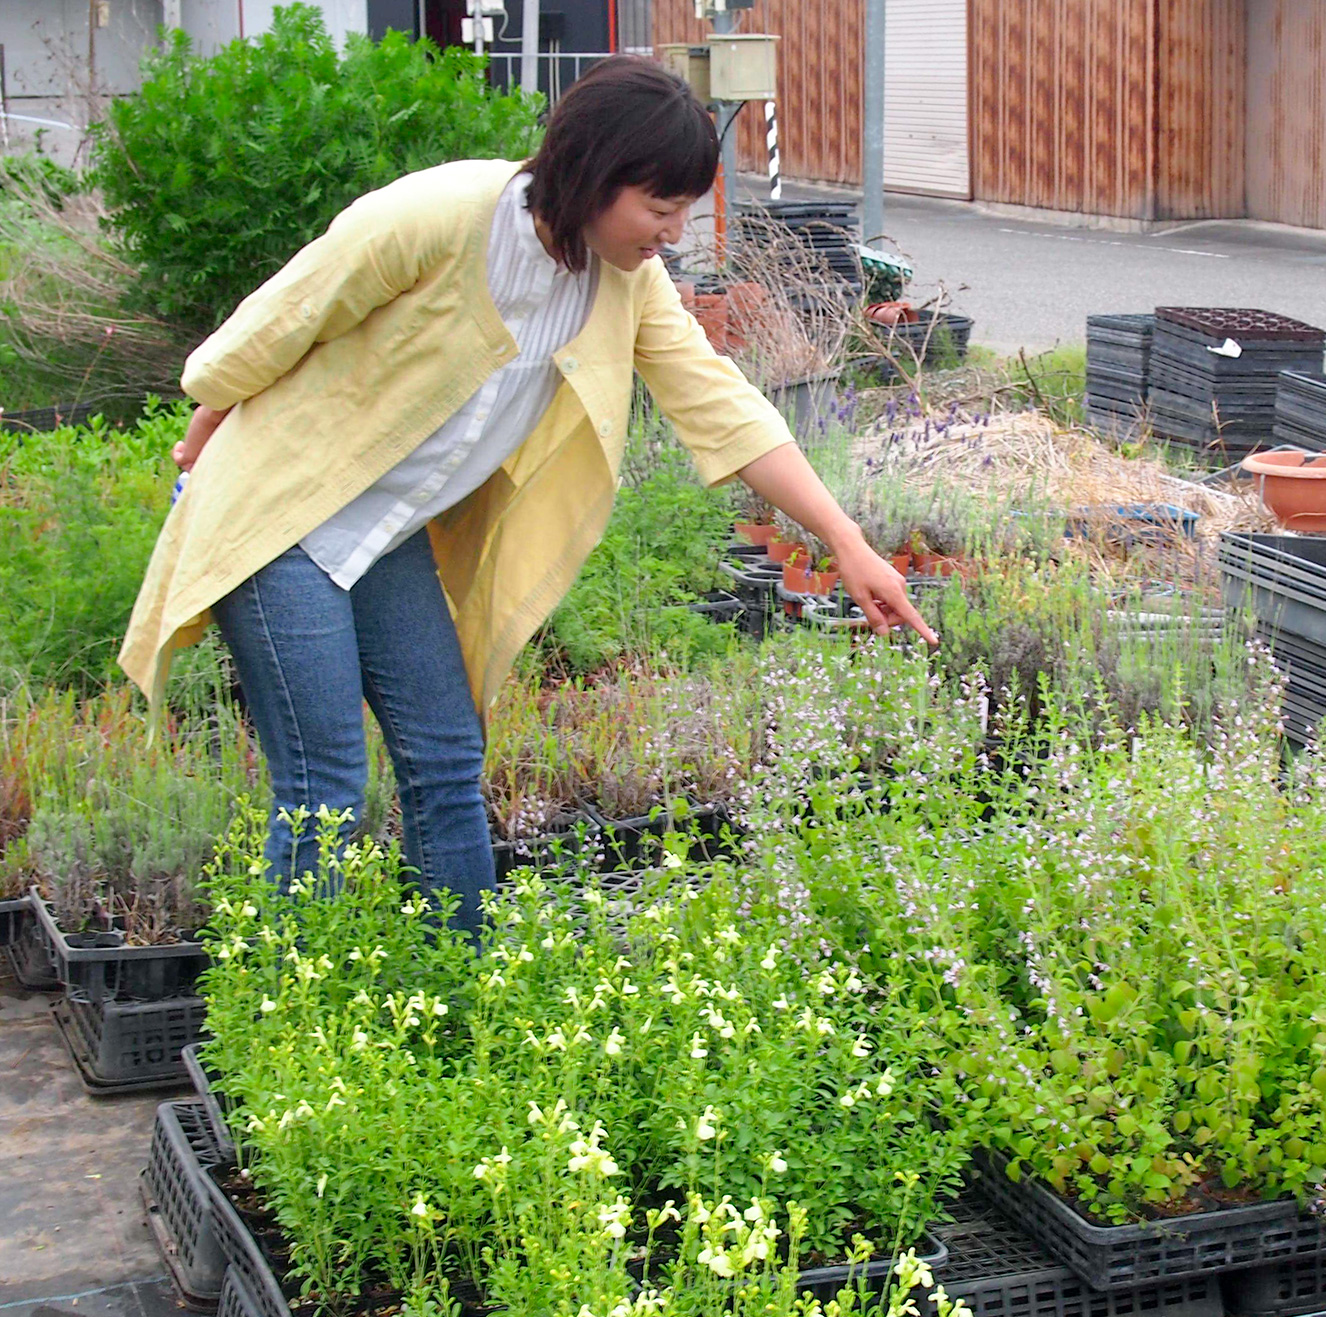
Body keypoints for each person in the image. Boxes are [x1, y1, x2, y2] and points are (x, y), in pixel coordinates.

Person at [120, 57, 932, 934]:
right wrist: (208, 417)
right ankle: (290, 1020)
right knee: (325, 787)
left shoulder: (624, 281)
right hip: (277, 522)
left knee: (445, 758)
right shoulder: (439, 216)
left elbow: (722, 406)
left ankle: (462, 996)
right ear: (592, 174)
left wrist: (844, 542)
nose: (670, 233)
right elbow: (284, 321)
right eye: (659, 208)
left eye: (681, 212)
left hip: (385, 533)